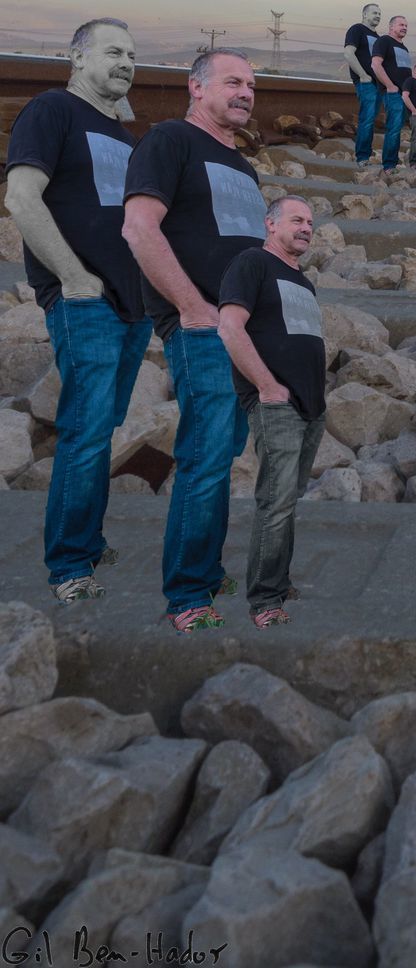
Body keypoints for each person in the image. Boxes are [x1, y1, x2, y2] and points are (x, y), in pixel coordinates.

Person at [4, 18, 150, 604]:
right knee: (86, 432)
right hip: (86, 302)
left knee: (103, 428)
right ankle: (69, 568)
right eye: (113, 52)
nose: (126, 62)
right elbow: (20, 196)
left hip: (133, 307)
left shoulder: (123, 135)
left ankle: (85, 542)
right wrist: (72, 277)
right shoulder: (52, 110)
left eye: (132, 55)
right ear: (76, 57)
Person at [122, 48, 267, 633]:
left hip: (241, 333)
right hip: (201, 328)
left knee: (225, 453)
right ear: (196, 87)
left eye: (251, 85)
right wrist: (192, 307)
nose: (245, 92)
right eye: (233, 81)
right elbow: (138, 227)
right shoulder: (169, 143)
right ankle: (186, 598)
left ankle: (205, 570)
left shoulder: (243, 167)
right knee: (205, 458)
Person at [217, 196, 325, 630]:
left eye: (311, 223)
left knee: (288, 499)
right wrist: (265, 385)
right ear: (271, 223)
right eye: (297, 219)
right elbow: (229, 325)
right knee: (275, 501)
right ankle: (264, 600)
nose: (306, 227)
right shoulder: (252, 263)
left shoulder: (305, 282)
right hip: (275, 404)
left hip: (310, 406)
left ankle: (279, 582)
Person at [342, 3, 381, 166]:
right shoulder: (356, 29)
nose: (378, 16)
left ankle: (365, 152)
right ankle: (362, 157)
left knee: (371, 119)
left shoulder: (378, 38)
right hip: (365, 83)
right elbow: (348, 53)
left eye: (379, 13)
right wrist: (363, 75)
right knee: (367, 118)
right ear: (365, 15)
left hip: (378, 85)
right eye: (374, 13)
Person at [371, 15, 411, 171]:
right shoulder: (384, 41)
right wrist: (389, 85)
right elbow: (375, 65)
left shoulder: (403, 47)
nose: (405, 27)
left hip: (403, 94)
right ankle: (388, 166)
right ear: (391, 27)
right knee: (393, 128)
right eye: (401, 24)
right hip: (393, 93)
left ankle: (392, 162)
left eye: (406, 25)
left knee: (397, 128)